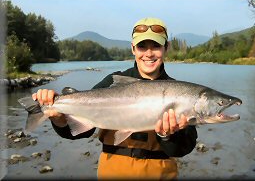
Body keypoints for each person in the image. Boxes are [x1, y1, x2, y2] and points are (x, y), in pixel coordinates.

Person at [32, 17, 197, 179]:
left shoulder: (182, 94)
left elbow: (183, 149)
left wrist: (168, 136)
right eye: (142, 46)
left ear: (166, 48)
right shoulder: (112, 81)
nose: (149, 53)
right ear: (133, 49)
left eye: (156, 46)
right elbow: (80, 131)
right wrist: (58, 119)